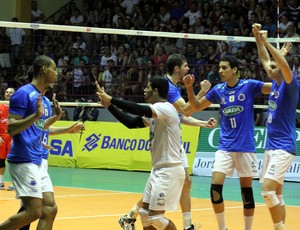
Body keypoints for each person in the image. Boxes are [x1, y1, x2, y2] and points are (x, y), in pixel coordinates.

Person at [118, 54, 216, 230]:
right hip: (169, 146)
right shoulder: (169, 89)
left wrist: (202, 123)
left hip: (172, 140)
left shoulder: (173, 88)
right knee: (178, 183)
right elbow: (186, 110)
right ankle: (134, 215)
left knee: (185, 182)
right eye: (186, 66)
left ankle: (132, 215)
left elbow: (179, 117)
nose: (188, 69)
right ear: (177, 69)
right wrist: (200, 91)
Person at [182, 55, 272, 230]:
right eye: (220, 68)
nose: (220, 71)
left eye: (224, 68)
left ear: (235, 70)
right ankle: (223, 228)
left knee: (246, 193)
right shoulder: (218, 90)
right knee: (215, 189)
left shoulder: (249, 86)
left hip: (245, 148)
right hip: (225, 147)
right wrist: (189, 88)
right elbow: (194, 107)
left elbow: (276, 86)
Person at [97, 77, 185, 230]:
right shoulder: (156, 113)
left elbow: (137, 108)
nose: (145, 89)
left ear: (156, 91)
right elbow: (131, 123)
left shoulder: (166, 108)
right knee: (144, 214)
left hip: (169, 170)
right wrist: (109, 106)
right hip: (158, 169)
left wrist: (111, 99)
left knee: (156, 218)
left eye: (148, 87)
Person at [0, 55, 61, 229]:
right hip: (23, 159)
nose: (56, 73)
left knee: (50, 209)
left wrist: (57, 118)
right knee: (33, 211)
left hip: (38, 160)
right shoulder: (23, 93)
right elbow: (11, 128)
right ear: (43, 69)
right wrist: (35, 115)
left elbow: (39, 129)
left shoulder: (45, 101)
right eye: (54, 69)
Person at [253, 24, 299, 230]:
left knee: (267, 191)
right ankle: (281, 227)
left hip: (283, 147)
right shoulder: (274, 84)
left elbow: (281, 64)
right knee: (277, 194)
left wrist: (267, 42)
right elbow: (266, 60)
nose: (269, 69)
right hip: (271, 147)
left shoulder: (290, 85)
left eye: (274, 67)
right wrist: (257, 38)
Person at [0, 87, 15, 191]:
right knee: (1, 160)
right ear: (4, 94)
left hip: (13, 137)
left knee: (13, 161)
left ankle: (14, 182)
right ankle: (0, 182)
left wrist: (16, 137)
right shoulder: (0, 106)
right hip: (2, 138)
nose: (8, 93)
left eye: (11, 92)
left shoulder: (17, 108)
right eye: (7, 92)